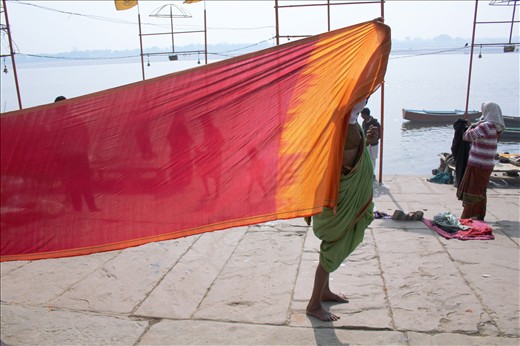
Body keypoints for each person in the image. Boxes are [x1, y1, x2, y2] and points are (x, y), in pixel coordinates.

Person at [306, 100, 377, 321]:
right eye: (361, 98)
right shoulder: (340, 124)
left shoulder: (353, 122)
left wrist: (368, 141)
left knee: (331, 249)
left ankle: (324, 292)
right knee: (332, 249)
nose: (365, 100)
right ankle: (314, 305)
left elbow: (350, 156)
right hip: (340, 200)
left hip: (348, 197)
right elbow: (340, 160)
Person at [456, 101, 505, 220]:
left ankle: (467, 216)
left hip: (478, 163)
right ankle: (479, 214)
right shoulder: (497, 127)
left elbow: (467, 137)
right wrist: (473, 125)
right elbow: (481, 133)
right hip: (488, 164)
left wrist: (467, 128)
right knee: (481, 190)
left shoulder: (485, 126)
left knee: (472, 190)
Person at [360, 107, 380, 174]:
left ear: (366, 115)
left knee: (373, 159)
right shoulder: (364, 123)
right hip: (367, 144)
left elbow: (379, 135)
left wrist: (373, 140)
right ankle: (367, 173)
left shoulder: (376, 123)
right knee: (367, 159)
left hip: (374, 145)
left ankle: (372, 173)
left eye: (362, 115)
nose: (361, 116)